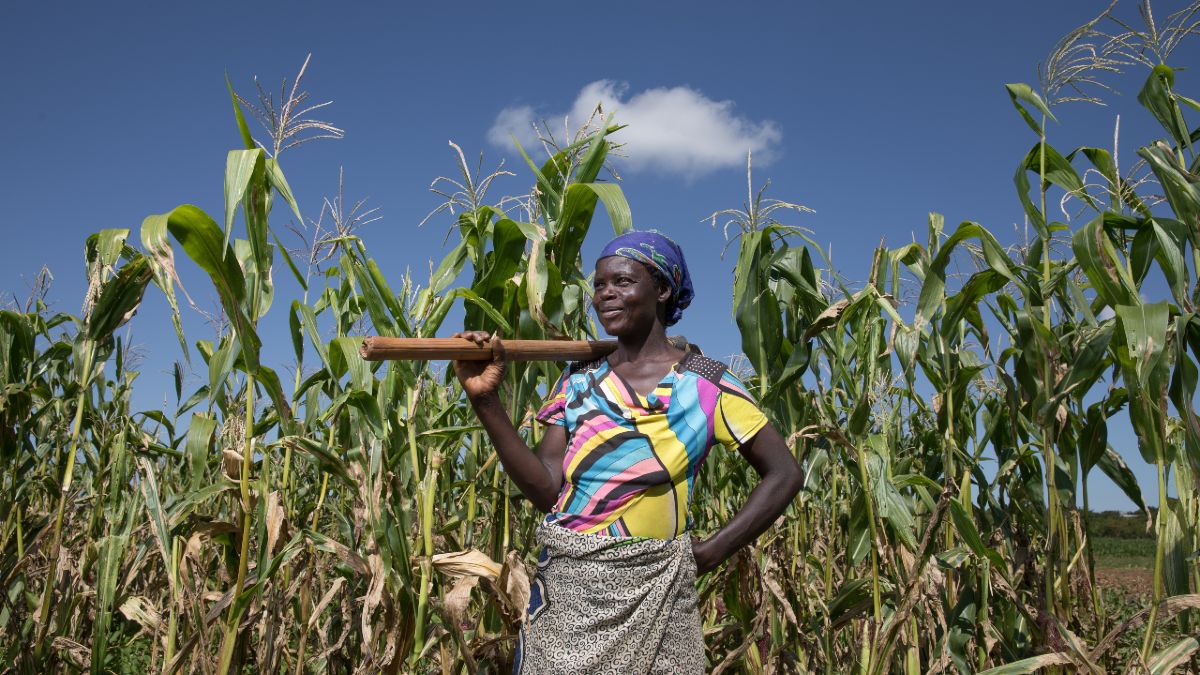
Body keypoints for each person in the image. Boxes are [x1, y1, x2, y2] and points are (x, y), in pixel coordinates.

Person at [452, 231, 803, 674]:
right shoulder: (577, 380)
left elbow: (785, 473)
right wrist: (486, 402)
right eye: (599, 285)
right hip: (570, 591)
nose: (605, 295)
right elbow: (546, 489)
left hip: (660, 590)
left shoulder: (706, 383)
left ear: (661, 290)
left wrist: (709, 552)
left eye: (622, 282)